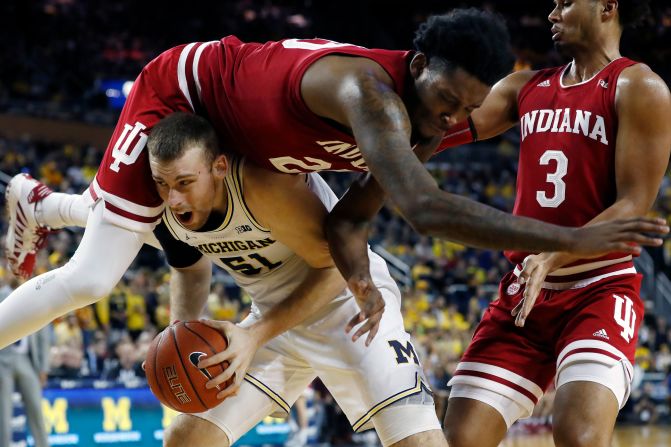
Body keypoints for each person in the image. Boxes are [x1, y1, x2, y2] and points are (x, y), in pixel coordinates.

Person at [1, 8, 666, 351]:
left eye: (468, 107)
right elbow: (425, 209)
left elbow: (350, 220)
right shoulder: (369, 96)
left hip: (248, 135)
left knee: (176, 222)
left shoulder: (435, 111)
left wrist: (355, 278)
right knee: (93, 277)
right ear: (417, 63)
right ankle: (42, 206)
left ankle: (38, 200)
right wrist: (568, 235)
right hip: (185, 94)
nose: (453, 118)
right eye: (449, 100)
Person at [433, 2, 671, 447]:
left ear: (606, 6)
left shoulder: (638, 85)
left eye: (564, 2)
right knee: (460, 439)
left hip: (599, 288)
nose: (551, 13)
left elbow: (634, 205)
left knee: (578, 437)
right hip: (525, 293)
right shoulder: (525, 86)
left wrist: (553, 256)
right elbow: (444, 124)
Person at [148, 112, 446, 446]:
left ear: (218, 167)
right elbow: (189, 268)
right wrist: (177, 336)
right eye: (163, 184)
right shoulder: (163, 207)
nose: (172, 198)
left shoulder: (263, 184)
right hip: (275, 322)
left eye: (184, 183)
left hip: (350, 308)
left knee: (415, 440)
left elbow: (338, 268)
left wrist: (256, 335)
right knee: (186, 439)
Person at [0, 278, 51, 447]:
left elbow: (44, 335)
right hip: (3, 360)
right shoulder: (1, 295)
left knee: (36, 408)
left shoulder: (35, 294)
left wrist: (44, 367)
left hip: (27, 360)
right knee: (3, 412)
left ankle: (42, 444)